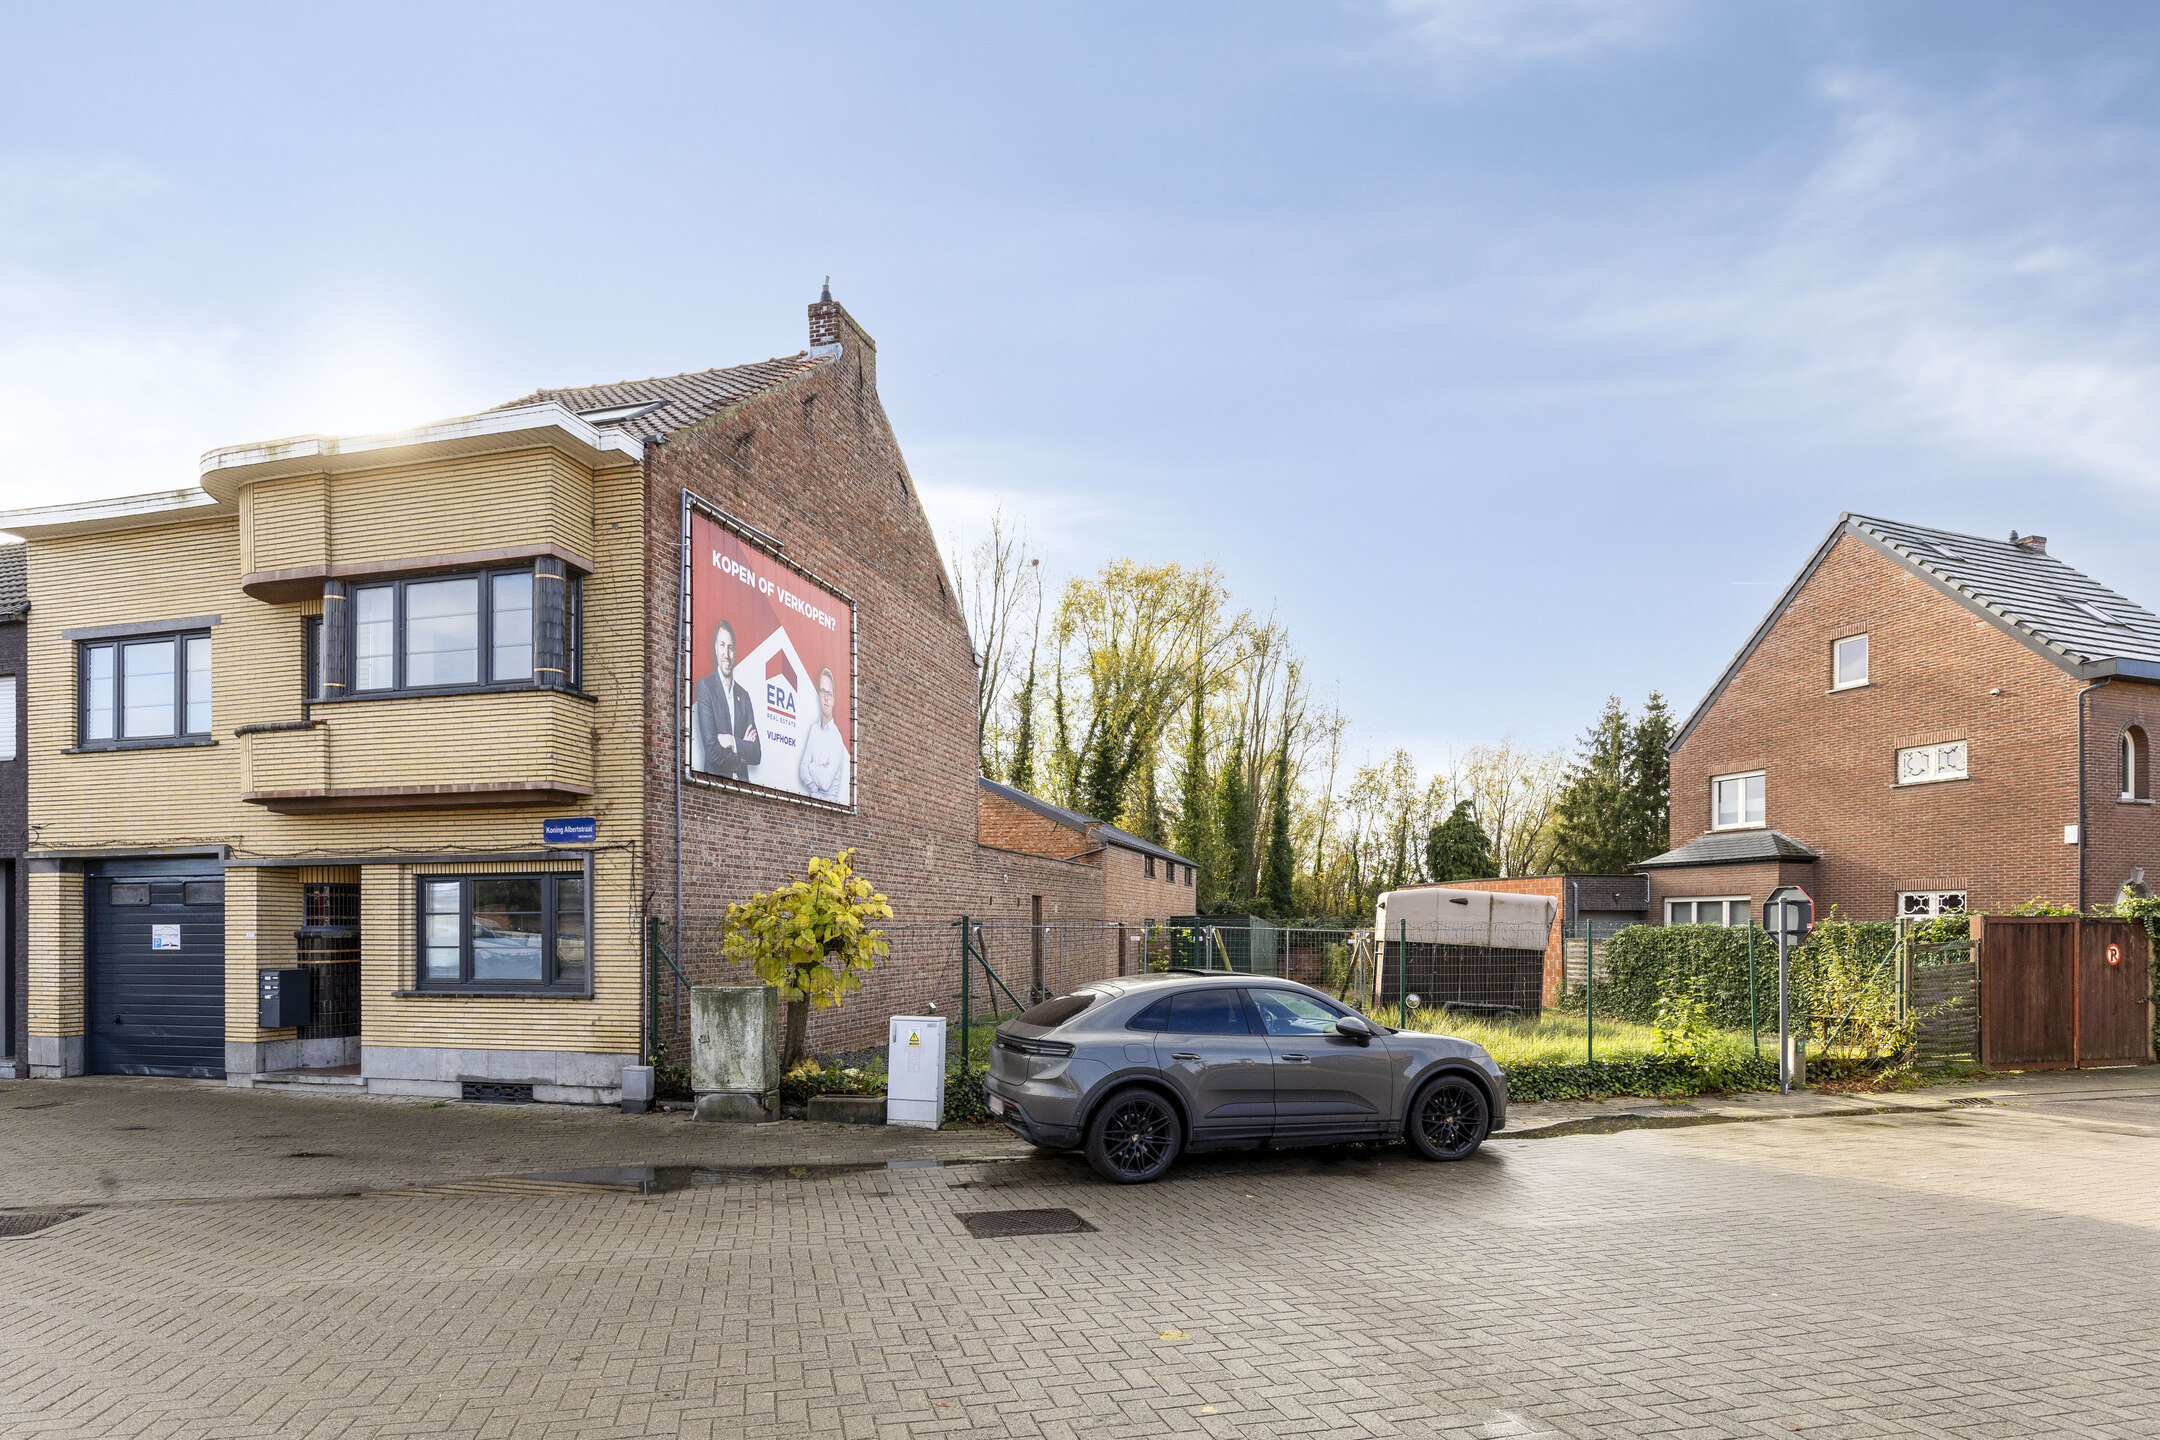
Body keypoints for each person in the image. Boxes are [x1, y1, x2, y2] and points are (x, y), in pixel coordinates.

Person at [693, 620, 760, 781]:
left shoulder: (743, 696)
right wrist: (742, 754)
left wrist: (731, 741)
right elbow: (712, 751)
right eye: (722, 645)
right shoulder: (706, 687)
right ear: (716, 648)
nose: (726, 654)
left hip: (743, 787)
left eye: (730, 647)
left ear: (735, 652)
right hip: (715, 786)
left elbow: (756, 753)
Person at [797, 666, 850, 803]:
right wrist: (815, 787)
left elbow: (825, 783)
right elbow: (802, 769)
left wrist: (811, 766)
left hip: (829, 806)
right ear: (819, 696)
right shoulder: (814, 730)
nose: (826, 698)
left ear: (834, 699)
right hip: (813, 799)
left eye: (829, 694)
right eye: (822, 692)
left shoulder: (837, 739)